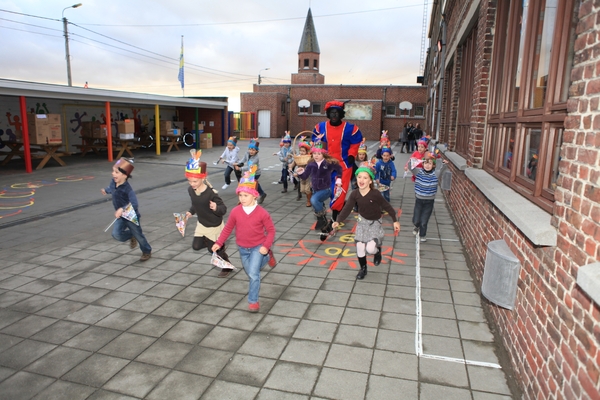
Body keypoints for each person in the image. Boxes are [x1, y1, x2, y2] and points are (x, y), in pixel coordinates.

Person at [211, 165, 276, 313]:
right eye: (240, 195)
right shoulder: (235, 211)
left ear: (254, 195)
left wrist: (266, 245)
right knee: (250, 271)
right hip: (242, 248)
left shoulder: (262, 213)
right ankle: (268, 257)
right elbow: (228, 228)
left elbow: (271, 231)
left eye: (245, 195)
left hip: (258, 247)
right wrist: (218, 242)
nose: (242, 198)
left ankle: (253, 301)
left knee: (253, 274)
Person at [332, 161, 400, 280]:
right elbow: (347, 208)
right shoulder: (354, 194)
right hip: (362, 222)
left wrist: (395, 220)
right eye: (359, 177)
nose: (361, 180)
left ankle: (377, 251)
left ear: (370, 181)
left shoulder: (375, 194)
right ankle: (363, 268)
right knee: (360, 246)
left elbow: (387, 206)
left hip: (374, 223)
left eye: (365, 177)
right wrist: (338, 220)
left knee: (370, 248)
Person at [184, 149, 232, 278]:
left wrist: (216, 207)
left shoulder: (211, 193)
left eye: (194, 181)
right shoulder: (191, 190)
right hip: (202, 224)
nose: (192, 184)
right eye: (189, 181)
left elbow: (223, 209)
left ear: (202, 178)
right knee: (196, 246)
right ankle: (217, 245)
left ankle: (226, 266)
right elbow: (195, 203)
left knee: (214, 250)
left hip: (213, 225)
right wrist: (190, 211)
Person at [312, 100, 363, 222]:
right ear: (328, 114)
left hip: (344, 165)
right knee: (326, 189)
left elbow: (355, 143)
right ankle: (327, 211)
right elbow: (315, 142)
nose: (334, 115)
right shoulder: (320, 127)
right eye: (331, 113)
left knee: (340, 191)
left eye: (337, 113)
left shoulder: (350, 128)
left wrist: (352, 154)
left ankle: (335, 215)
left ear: (341, 115)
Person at [101, 158, 152, 261]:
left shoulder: (128, 190)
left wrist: (122, 209)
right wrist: (106, 190)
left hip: (131, 216)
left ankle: (146, 251)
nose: (113, 174)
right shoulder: (113, 182)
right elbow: (111, 188)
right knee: (116, 235)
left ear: (125, 175)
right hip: (121, 217)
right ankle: (131, 235)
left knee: (139, 235)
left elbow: (134, 204)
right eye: (113, 171)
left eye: (116, 172)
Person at [294, 140, 343, 239]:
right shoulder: (311, 164)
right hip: (316, 190)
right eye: (314, 153)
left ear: (324, 154)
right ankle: (325, 228)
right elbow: (305, 176)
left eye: (319, 153)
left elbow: (339, 169)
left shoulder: (328, 163)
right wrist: (299, 173)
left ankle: (323, 221)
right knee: (318, 208)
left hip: (326, 189)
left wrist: (339, 178)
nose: (316, 155)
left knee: (313, 200)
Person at [409, 153, 449, 242]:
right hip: (419, 200)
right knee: (416, 220)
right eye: (425, 163)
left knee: (424, 220)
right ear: (422, 164)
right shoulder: (418, 172)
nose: (427, 165)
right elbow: (411, 167)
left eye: (430, 163)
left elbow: (442, 169)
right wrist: (412, 160)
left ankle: (423, 235)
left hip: (429, 201)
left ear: (433, 165)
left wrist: (444, 163)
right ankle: (416, 226)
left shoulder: (436, 173)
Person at [234, 138, 266, 204]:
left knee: (251, 184)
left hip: (255, 172)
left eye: (253, 150)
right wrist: (238, 163)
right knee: (253, 184)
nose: (251, 151)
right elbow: (243, 160)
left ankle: (254, 196)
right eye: (250, 149)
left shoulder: (256, 158)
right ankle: (261, 194)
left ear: (257, 151)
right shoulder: (247, 153)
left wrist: (240, 169)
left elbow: (249, 167)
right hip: (250, 172)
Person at [289, 137, 313, 206]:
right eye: (300, 151)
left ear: (307, 151)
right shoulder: (298, 157)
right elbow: (294, 163)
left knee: (307, 189)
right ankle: (310, 195)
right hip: (301, 176)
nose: (301, 152)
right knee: (302, 190)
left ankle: (309, 201)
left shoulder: (309, 157)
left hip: (308, 176)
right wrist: (290, 167)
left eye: (303, 151)